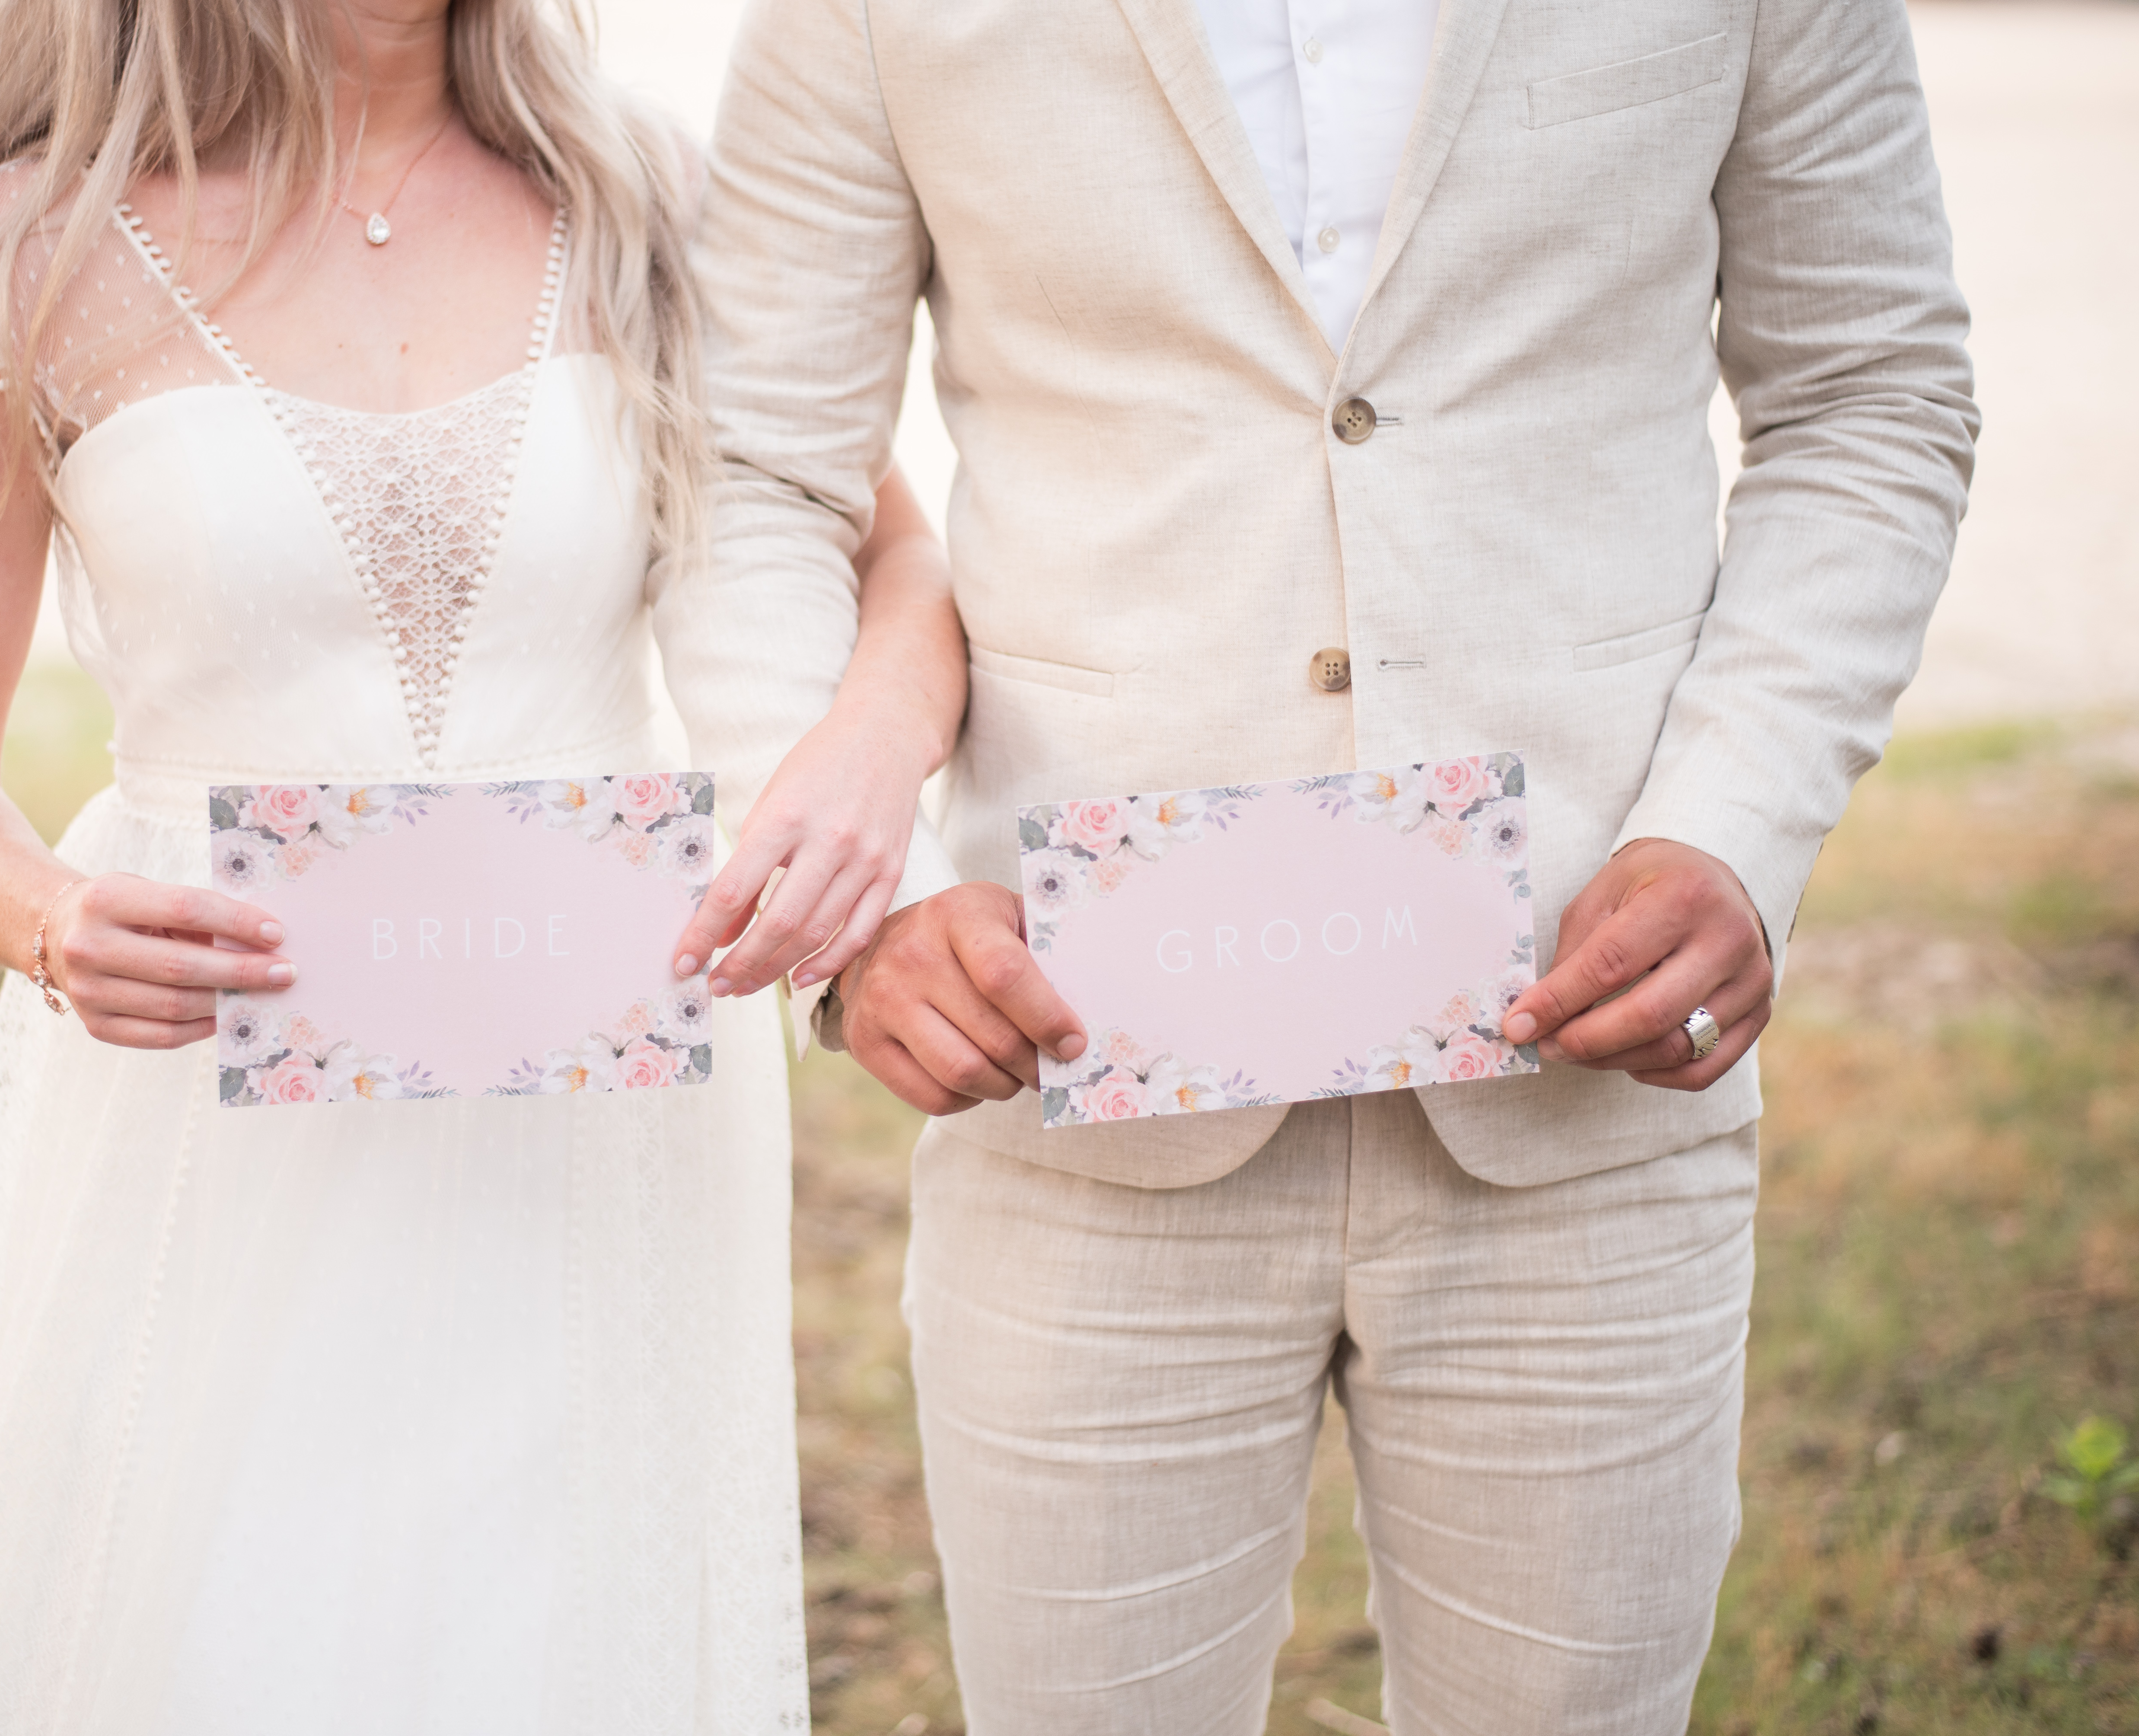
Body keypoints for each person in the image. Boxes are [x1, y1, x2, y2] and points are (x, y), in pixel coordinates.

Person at [680, 0, 1977, 1730]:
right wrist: (878, 902)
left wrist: (1732, 831)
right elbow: (757, 467)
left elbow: (1870, 397)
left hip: (1582, 1085)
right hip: (1075, 1071)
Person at [0, 0, 968, 1726]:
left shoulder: (642, 199)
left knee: (550, 1647)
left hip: (596, 1121)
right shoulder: (13, 255)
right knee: (230, 1639)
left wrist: (859, 763)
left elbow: (891, 557)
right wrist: (55, 917)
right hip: (217, 1123)